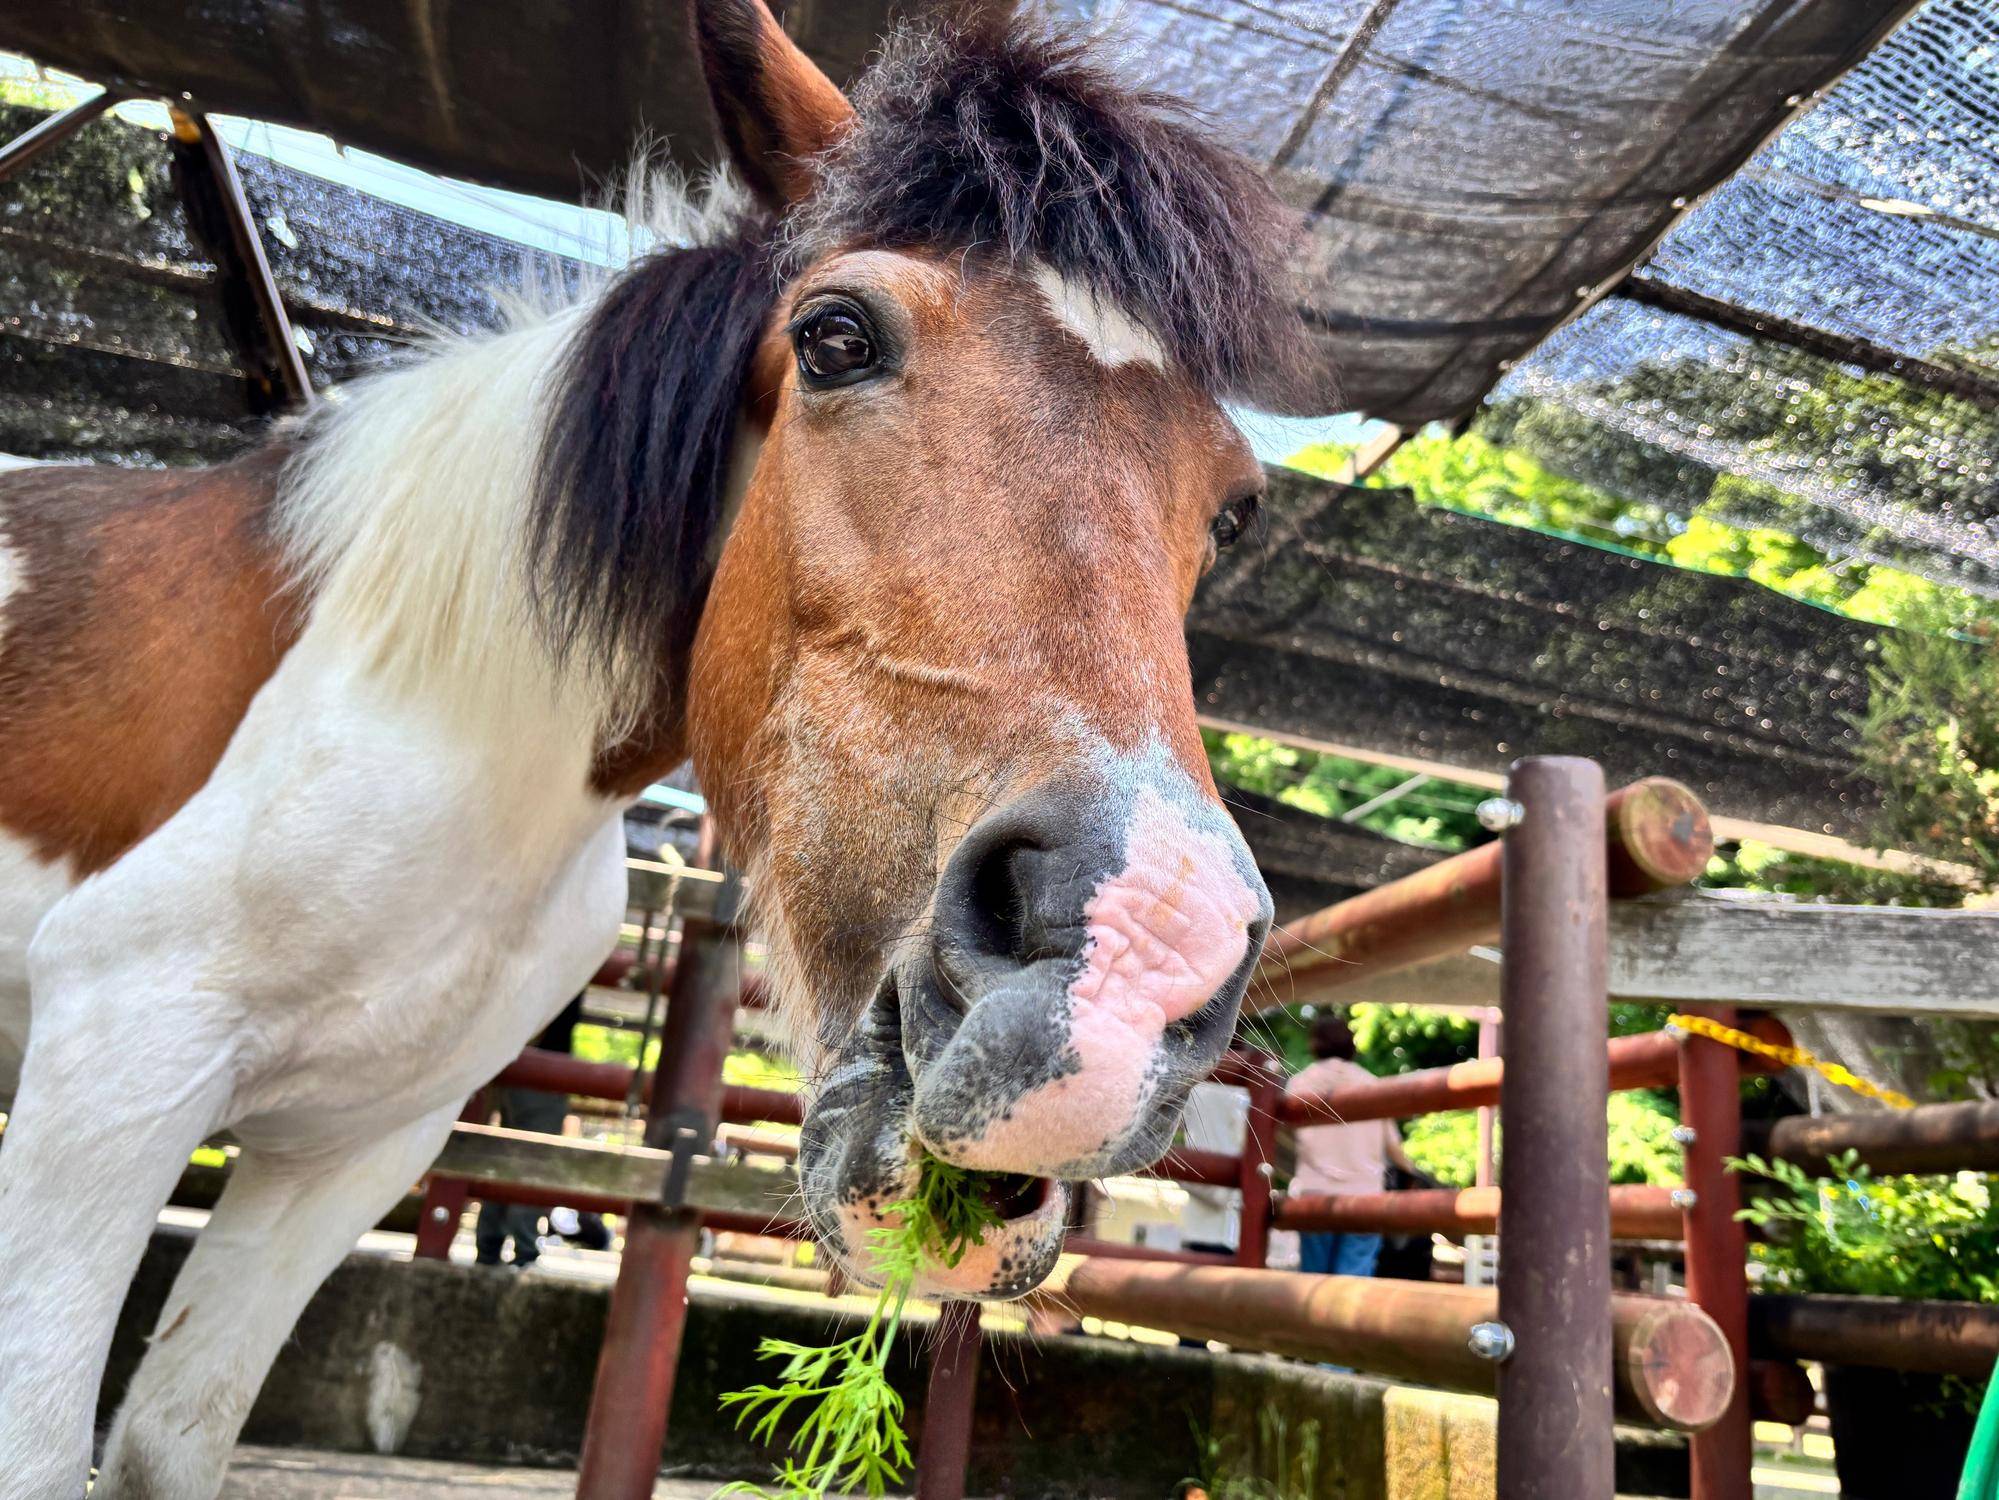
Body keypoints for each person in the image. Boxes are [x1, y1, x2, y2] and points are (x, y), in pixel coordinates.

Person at [1284, 1014, 1418, 1278]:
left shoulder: (1299, 1085)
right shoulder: (1371, 1085)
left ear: (1314, 1044)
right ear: (1351, 1044)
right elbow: (1393, 1146)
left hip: (1315, 1192)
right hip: (1364, 1193)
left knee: (1314, 1280)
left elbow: (1284, 1136)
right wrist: (1411, 1172)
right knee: (1354, 1278)